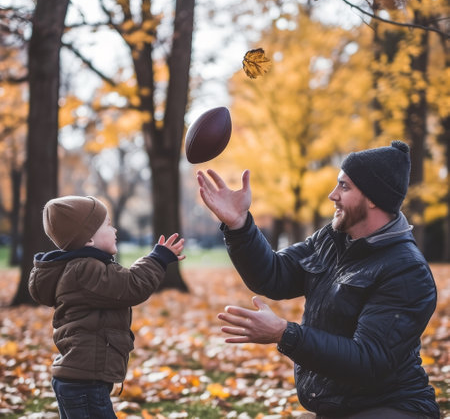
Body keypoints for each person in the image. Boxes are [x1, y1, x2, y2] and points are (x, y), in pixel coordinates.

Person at [196, 141, 440, 419]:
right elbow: (274, 275)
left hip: (392, 408)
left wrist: (284, 334)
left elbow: (368, 360)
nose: (332, 195)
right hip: (338, 407)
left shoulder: (406, 271)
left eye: (345, 187)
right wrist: (239, 225)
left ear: (373, 198)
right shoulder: (332, 240)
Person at [28, 195, 185, 419]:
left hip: (79, 377)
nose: (115, 230)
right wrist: (157, 259)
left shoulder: (81, 268)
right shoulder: (85, 270)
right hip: (85, 381)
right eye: (109, 225)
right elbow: (131, 286)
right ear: (89, 239)